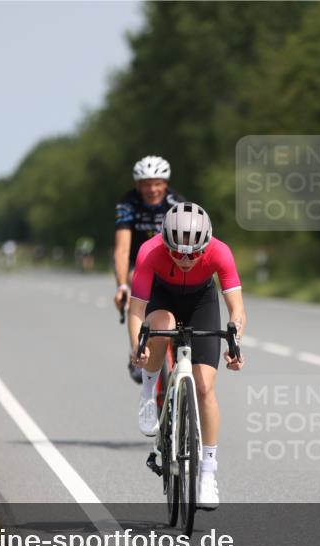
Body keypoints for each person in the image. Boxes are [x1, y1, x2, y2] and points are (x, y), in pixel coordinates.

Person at [128, 202, 245, 510]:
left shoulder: (221, 252)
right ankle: (148, 391)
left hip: (201, 302)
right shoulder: (150, 252)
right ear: (164, 242)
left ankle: (208, 473)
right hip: (162, 298)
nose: (184, 259)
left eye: (193, 254)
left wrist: (235, 343)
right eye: (176, 252)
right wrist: (137, 348)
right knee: (162, 324)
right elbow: (136, 311)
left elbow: (237, 310)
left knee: (205, 387)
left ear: (205, 246)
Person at [113, 155, 185, 383]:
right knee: (136, 285)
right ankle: (138, 349)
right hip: (139, 261)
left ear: (165, 183)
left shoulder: (176, 202)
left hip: (170, 261)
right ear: (137, 185)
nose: (152, 189)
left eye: (157, 183)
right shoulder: (127, 204)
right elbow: (122, 249)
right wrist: (122, 285)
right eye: (146, 184)